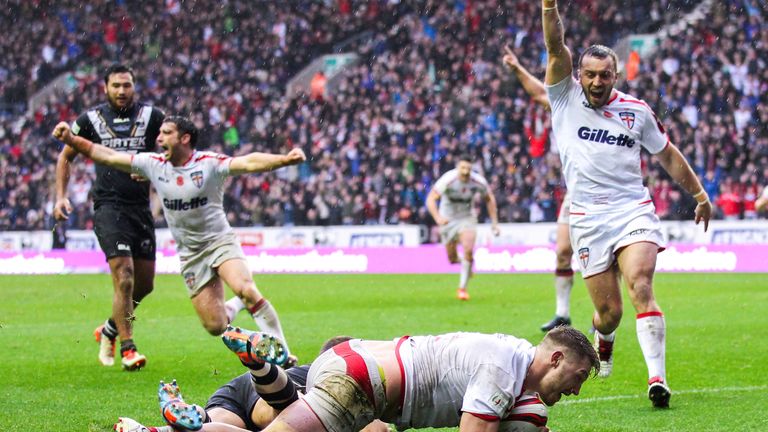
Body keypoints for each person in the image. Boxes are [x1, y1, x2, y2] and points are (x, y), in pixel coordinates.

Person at [540, 0, 713, 408]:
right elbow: (555, 45)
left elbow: (668, 154)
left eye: (605, 75)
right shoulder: (564, 98)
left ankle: (658, 380)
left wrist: (700, 195)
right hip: (587, 218)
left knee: (641, 286)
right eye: (591, 75)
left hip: (632, 210)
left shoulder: (636, 111)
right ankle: (605, 338)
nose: (598, 82)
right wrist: (549, 6)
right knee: (609, 313)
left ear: (616, 75)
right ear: (578, 75)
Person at [52, 116, 305, 361]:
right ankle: (236, 304)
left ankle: (281, 352)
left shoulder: (208, 163)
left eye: (166, 133)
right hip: (190, 255)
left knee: (247, 288)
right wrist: (72, 140)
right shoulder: (153, 164)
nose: (159, 138)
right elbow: (106, 155)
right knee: (215, 326)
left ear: (184, 138)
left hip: (220, 242)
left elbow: (248, 162)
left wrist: (284, 160)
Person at [216, 325, 598, 432]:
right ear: (557, 358)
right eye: (577, 377)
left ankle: (262, 370)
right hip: (361, 385)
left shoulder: (512, 354)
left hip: (355, 365)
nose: (576, 390)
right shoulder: (502, 369)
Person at [53, 64, 165, 370]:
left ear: (134, 86)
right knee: (124, 276)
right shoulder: (90, 120)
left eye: (126, 85)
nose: (121, 91)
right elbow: (66, 156)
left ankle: (110, 328)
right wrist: (61, 196)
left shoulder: (152, 117)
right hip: (108, 206)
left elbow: (174, 146)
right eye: (116, 85)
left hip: (140, 209)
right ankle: (128, 349)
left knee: (144, 285)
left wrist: (157, 166)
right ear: (105, 87)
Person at [114, 332, 389, 432]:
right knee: (286, 415)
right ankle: (257, 363)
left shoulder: (314, 370)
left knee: (210, 421)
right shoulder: (340, 382)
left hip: (238, 391)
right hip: (273, 393)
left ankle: (153, 428)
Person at [502, 46, 575, 332]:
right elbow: (539, 94)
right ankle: (563, 313)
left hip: (606, 195)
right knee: (562, 252)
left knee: (603, 260)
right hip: (575, 192)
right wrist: (517, 67)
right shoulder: (570, 105)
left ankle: (605, 317)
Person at [426, 153, 500, 301]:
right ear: (457, 167)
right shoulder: (448, 179)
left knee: (468, 250)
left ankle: (462, 289)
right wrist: (438, 218)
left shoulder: (478, 182)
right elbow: (430, 200)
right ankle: (465, 265)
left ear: (471, 169)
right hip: (448, 219)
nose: (465, 171)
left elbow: (489, 199)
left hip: (467, 218)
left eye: (468, 168)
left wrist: (494, 223)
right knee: (452, 259)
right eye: (463, 168)